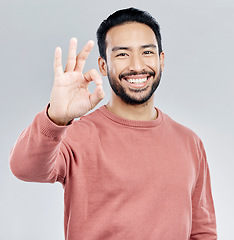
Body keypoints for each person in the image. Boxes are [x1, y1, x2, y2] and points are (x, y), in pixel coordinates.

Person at [9, 7, 217, 240]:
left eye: (147, 52)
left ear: (161, 60)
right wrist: (55, 118)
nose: (137, 66)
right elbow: (24, 168)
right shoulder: (76, 135)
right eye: (122, 54)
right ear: (103, 66)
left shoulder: (189, 142)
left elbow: (202, 231)